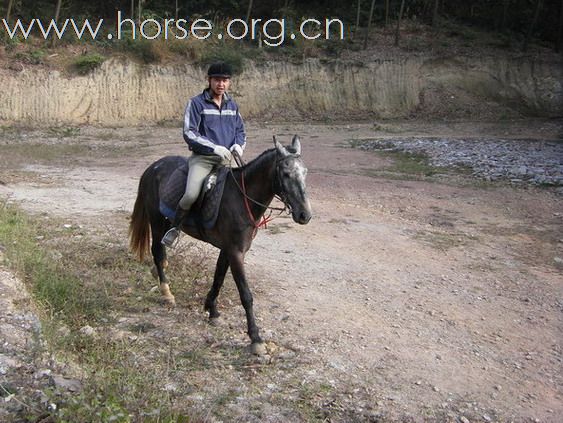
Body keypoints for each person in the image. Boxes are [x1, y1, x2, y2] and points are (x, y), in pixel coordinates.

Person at [161, 62, 246, 247]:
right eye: (217, 80)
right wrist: (214, 147)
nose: (221, 84)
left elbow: (240, 130)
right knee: (191, 194)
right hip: (203, 159)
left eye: (225, 80)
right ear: (209, 80)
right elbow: (189, 132)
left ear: (229, 82)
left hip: (227, 160)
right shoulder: (196, 103)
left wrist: (239, 146)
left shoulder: (233, 105)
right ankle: (175, 228)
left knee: (244, 190)